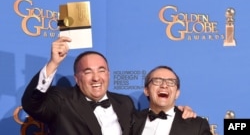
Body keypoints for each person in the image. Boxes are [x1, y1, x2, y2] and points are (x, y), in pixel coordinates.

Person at [22, 37, 196, 135]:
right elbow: (32, 103)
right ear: (77, 78)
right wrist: (53, 63)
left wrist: (176, 111)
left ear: (109, 74)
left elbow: (152, 121)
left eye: (102, 70)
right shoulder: (62, 100)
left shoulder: (125, 103)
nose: (96, 78)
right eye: (88, 72)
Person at [130, 65, 212, 135]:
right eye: (157, 81)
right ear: (147, 91)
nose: (164, 85)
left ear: (177, 93)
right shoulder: (130, 121)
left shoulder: (197, 125)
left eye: (171, 82)